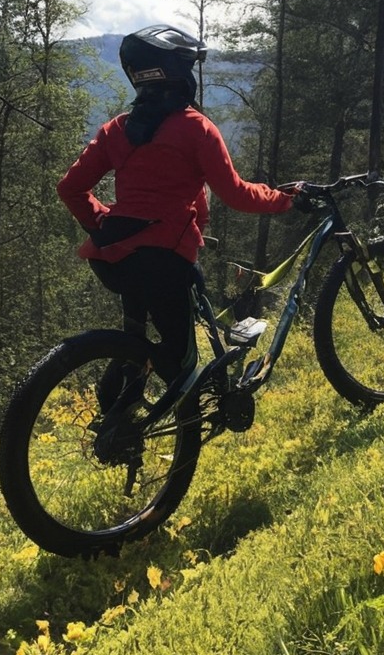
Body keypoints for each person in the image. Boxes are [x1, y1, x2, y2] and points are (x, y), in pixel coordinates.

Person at [57, 24, 294, 400]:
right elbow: (236, 194)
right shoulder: (195, 128)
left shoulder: (115, 130)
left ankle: (123, 403)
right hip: (165, 259)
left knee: (136, 334)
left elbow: (69, 188)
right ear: (179, 74)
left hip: (112, 257)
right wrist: (284, 199)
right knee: (182, 362)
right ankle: (183, 417)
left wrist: (105, 221)